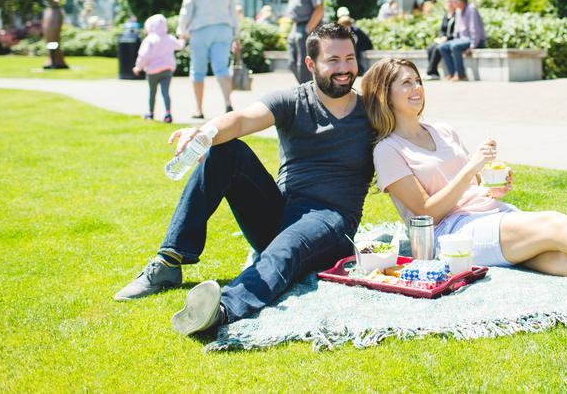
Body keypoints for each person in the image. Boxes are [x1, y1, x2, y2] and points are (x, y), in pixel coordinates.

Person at [114, 24, 375, 336]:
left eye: (349, 59)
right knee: (225, 152)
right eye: (333, 60)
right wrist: (204, 133)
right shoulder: (292, 100)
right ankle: (169, 261)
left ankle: (221, 309)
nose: (344, 69)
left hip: (332, 221)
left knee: (287, 247)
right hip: (282, 212)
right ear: (311, 64)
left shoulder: (371, 112)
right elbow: (241, 120)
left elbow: (409, 146)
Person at [361, 58, 567, 296]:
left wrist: (492, 190)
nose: (417, 88)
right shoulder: (388, 150)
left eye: (417, 80)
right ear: (383, 94)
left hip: (488, 217)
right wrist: (470, 167)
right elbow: (426, 214)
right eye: (405, 83)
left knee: (558, 259)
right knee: (554, 224)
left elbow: (470, 190)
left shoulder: (442, 130)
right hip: (450, 235)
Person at [178, 0, 240, 119]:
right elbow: (233, 12)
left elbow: (187, 8)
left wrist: (181, 28)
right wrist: (237, 36)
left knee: (197, 71)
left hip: (201, 30)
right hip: (224, 29)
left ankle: (198, 109)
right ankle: (228, 103)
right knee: (221, 68)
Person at [133, 14, 184, 123]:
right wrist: (183, 38)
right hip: (167, 70)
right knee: (166, 92)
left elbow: (144, 55)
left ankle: (151, 114)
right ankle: (168, 114)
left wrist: (138, 67)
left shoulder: (150, 40)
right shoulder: (169, 38)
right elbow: (180, 46)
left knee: (152, 93)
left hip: (153, 71)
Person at [285, 0, 325, 84]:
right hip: (296, 27)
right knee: (292, 62)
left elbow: (319, 9)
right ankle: (307, 89)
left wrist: (308, 30)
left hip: (306, 27)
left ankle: (309, 95)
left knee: (304, 65)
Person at [436, 0, 485, 82]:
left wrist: (472, 46)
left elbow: (475, 30)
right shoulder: (458, 11)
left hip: (474, 40)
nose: (452, 4)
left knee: (455, 46)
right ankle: (452, 73)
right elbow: (457, 30)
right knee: (442, 47)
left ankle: (461, 74)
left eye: (455, 1)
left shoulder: (471, 9)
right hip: (462, 39)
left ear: (461, 2)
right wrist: (454, 40)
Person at [424, 0, 457, 80]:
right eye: (448, 2)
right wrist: (441, 37)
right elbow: (442, 30)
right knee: (430, 48)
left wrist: (447, 38)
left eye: (451, 1)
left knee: (437, 48)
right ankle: (435, 72)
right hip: (444, 39)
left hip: (453, 39)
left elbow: (457, 31)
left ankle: (431, 72)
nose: (449, 4)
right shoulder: (446, 15)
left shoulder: (457, 15)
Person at [336, 6, 373, 72]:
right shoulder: (349, 29)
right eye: (343, 24)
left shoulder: (355, 30)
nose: (346, 26)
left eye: (347, 24)